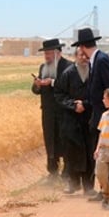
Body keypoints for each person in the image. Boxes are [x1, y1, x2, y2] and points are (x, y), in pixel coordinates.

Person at [70, 26, 109, 201]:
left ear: (82, 47)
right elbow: (96, 92)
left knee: (105, 157)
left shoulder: (101, 60)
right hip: (99, 115)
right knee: (102, 157)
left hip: (106, 117)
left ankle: (108, 193)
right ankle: (104, 190)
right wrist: (86, 103)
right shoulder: (96, 60)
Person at [31, 38, 73, 184]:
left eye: (49, 53)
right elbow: (36, 90)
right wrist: (37, 85)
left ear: (57, 52)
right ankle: (52, 173)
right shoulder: (43, 67)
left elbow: (70, 87)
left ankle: (67, 173)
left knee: (65, 141)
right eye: (45, 54)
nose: (46, 57)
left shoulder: (69, 67)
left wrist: (52, 83)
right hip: (48, 111)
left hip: (64, 111)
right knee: (50, 141)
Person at [54, 51, 95, 194]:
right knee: (71, 152)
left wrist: (85, 104)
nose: (84, 58)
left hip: (89, 117)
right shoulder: (67, 73)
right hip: (71, 119)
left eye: (86, 55)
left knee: (90, 152)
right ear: (75, 56)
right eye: (80, 55)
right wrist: (73, 105)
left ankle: (89, 186)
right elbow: (59, 94)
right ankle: (73, 183)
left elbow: (99, 94)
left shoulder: (93, 72)